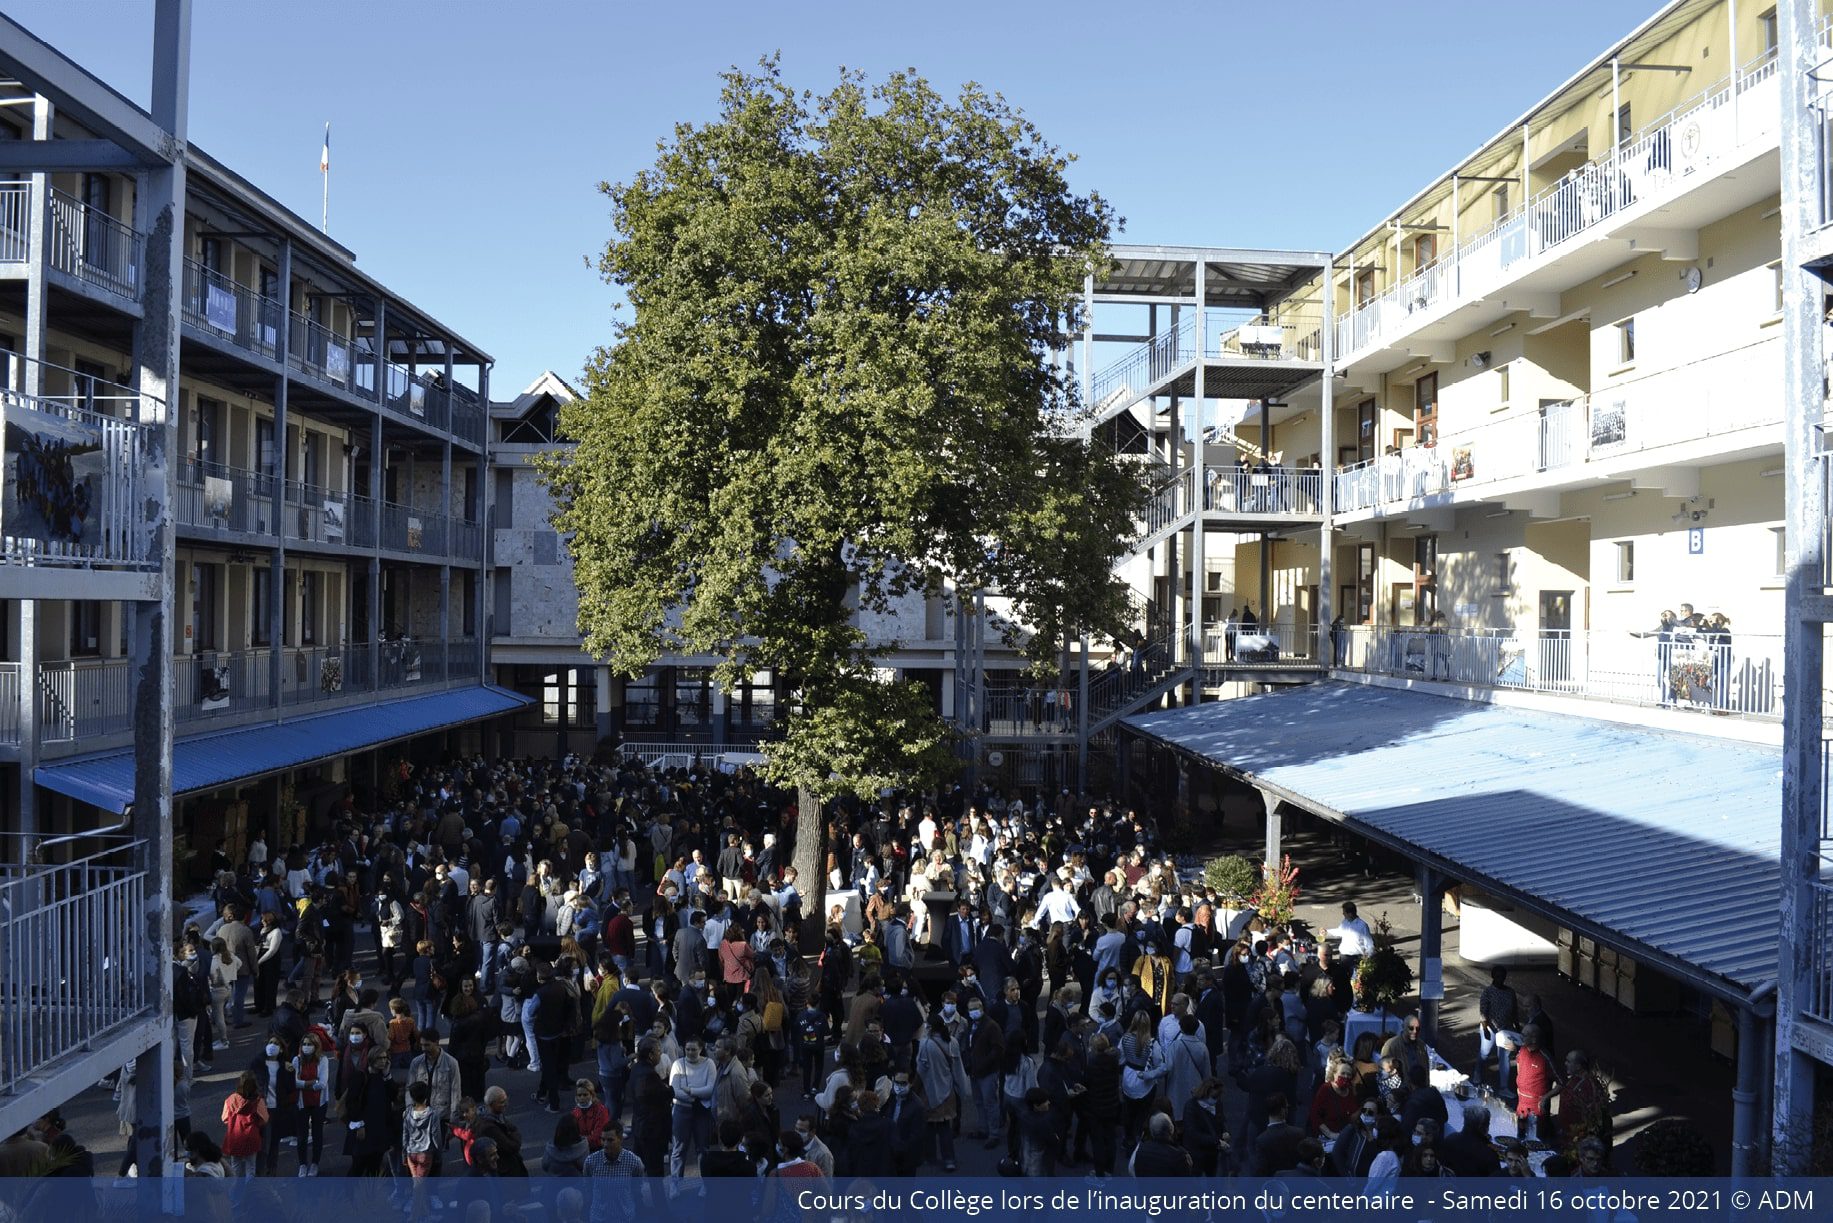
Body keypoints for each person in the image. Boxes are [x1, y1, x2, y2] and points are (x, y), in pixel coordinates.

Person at [1513, 1023, 1559, 1143]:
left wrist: (1545, 1098)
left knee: (1535, 1140)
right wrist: (1519, 1084)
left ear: (1534, 1039)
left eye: (1524, 1035)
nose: (1521, 1037)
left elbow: (1561, 1083)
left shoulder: (1545, 1057)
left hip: (1536, 1106)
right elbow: (1518, 1063)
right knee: (1520, 1134)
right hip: (1521, 1102)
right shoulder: (1522, 1050)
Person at [1477, 966, 1520, 1094]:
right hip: (1489, 1029)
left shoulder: (1510, 992)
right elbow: (1483, 1012)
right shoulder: (1487, 992)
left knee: (1504, 1057)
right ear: (1493, 976)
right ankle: (1477, 1076)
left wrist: (1517, 1029)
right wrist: (1485, 1029)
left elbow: (1514, 1012)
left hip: (1505, 1029)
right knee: (1484, 1053)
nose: (1501, 979)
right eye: (1498, 976)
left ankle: (1503, 1087)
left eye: (1503, 976)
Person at [219, 1071, 267, 1180]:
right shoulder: (258, 1100)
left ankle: (235, 1192)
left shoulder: (230, 1099)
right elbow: (264, 1119)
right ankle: (250, 1191)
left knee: (235, 1166)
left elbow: (224, 1118)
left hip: (235, 1138)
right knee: (251, 1167)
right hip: (252, 1136)